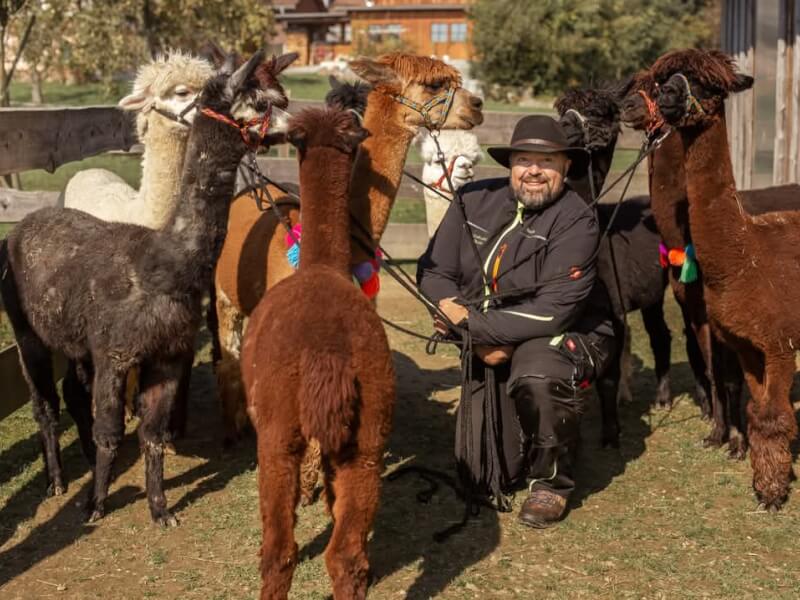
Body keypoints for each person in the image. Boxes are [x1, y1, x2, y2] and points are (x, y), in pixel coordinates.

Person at [417, 115, 616, 528]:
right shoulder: (471, 200)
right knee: (484, 474)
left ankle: (552, 481)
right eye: (524, 159)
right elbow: (434, 271)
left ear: (566, 167)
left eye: (547, 161)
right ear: (511, 164)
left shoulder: (577, 220)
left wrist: (469, 325)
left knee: (537, 372)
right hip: (486, 333)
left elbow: (553, 311)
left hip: (565, 333)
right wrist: (465, 325)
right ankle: (527, 438)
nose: (534, 171)